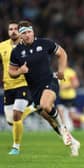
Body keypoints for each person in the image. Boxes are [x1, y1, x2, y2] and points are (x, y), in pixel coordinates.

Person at [8, 20, 80, 156]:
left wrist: (61, 71)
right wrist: (19, 71)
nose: (28, 35)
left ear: (33, 31)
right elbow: (11, 72)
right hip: (34, 89)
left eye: (30, 31)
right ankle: (73, 143)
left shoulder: (44, 43)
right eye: (24, 33)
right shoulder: (16, 52)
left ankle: (64, 129)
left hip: (50, 81)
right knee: (49, 118)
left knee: (46, 105)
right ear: (20, 36)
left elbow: (62, 53)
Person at [0, 21, 35, 155]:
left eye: (16, 29)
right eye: (11, 29)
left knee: (16, 115)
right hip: (8, 86)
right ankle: (33, 108)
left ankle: (16, 147)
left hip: (23, 84)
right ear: (8, 32)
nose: (13, 31)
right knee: (11, 121)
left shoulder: (27, 45)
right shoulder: (2, 46)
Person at [57, 66, 84, 131]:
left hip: (69, 97)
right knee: (60, 111)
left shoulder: (70, 72)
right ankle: (64, 129)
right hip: (61, 96)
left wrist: (66, 87)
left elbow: (76, 84)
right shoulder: (59, 71)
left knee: (72, 115)